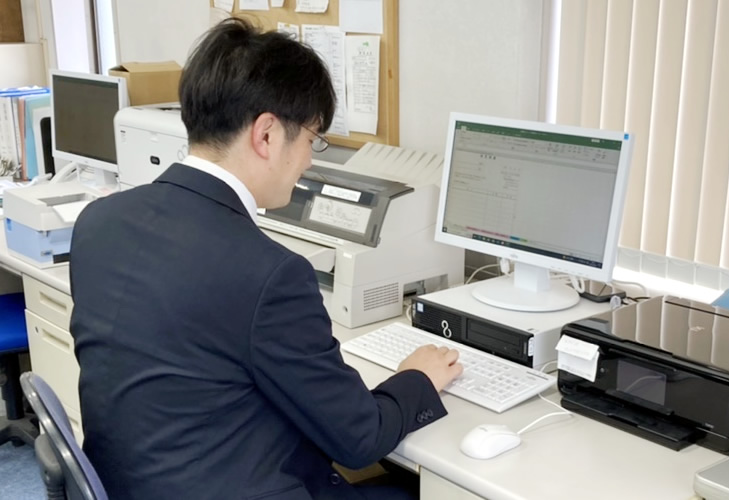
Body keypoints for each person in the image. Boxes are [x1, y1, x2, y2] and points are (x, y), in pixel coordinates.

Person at [69, 17, 463, 500]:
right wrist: (415, 378)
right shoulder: (270, 275)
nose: (310, 161)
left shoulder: (98, 222)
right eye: (312, 139)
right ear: (268, 135)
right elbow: (358, 438)